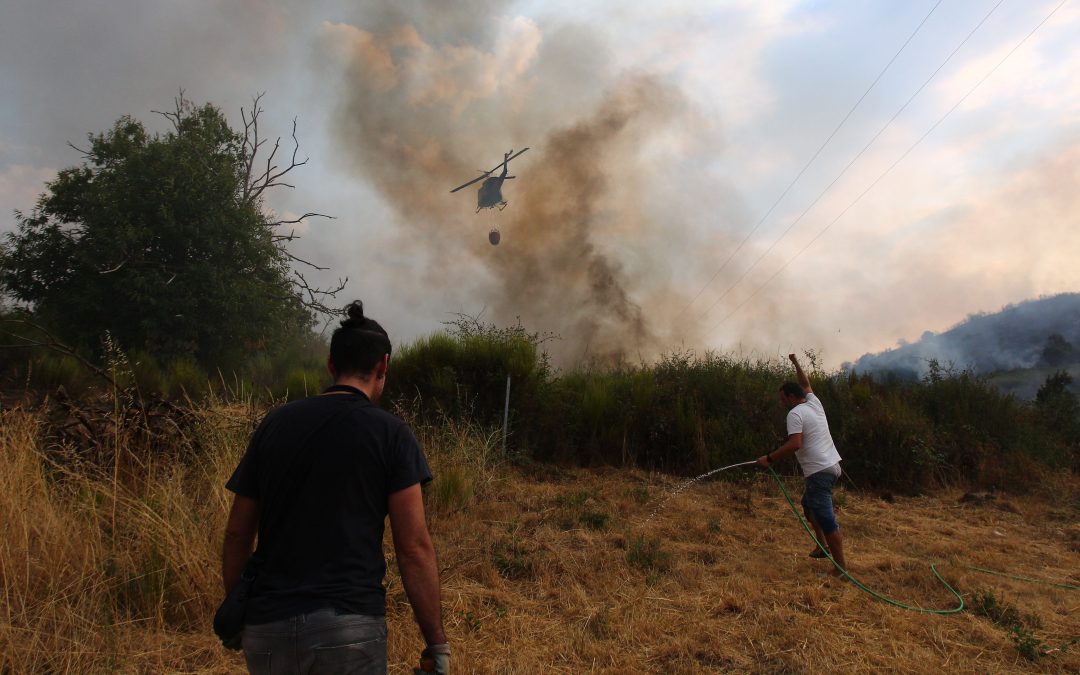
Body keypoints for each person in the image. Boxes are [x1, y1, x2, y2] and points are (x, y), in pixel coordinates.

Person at [221, 301, 449, 674]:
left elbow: (236, 534)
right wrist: (436, 642)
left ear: (331, 365)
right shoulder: (391, 434)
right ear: (383, 366)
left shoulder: (274, 425)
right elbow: (413, 548)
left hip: (267, 629)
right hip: (349, 628)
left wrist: (237, 610)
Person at [757, 353, 847, 576]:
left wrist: (769, 459)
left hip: (819, 471)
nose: (781, 403)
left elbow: (795, 444)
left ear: (790, 397)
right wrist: (796, 363)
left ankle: (840, 570)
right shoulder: (814, 404)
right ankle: (822, 545)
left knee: (826, 519)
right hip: (832, 467)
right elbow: (805, 383)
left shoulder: (795, 413)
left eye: (782, 399)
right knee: (808, 505)